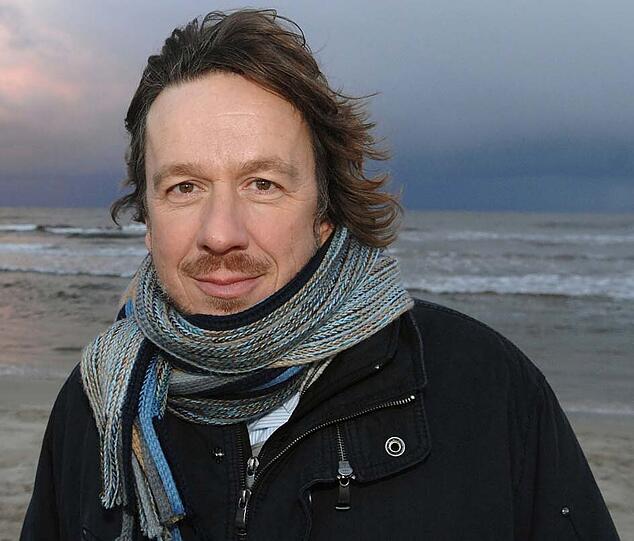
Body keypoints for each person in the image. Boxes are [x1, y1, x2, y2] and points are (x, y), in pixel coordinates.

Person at [21, 9, 619, 541]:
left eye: (262, 184)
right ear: (148, 218)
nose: (220, 232)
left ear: (325, 211)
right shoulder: (98, 402)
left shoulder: (484, 387)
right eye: (184, 187)